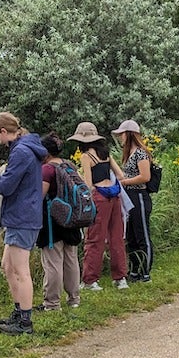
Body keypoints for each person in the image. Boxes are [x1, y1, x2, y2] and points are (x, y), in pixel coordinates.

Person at [0, 112, 48, 335]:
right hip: (22, 214)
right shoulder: (27, 147)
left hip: (22, 216)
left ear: (4, 132)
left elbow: (5, 187)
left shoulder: (21, 152)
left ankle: (25, 322)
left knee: (21, 270)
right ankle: (18, 310)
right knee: (7, 265)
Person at [67, 122, 128, 291]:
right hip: (114, 196)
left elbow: (88, 184)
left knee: (94, 239)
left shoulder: (86, 156)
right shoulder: (105, 154)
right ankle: (120, 278)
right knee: (116, 237)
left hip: (99, 197)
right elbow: (121, 175)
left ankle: (90, 280)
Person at [35, 133, 82, 311]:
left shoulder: (47, 169)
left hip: (52, 221)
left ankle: (52, 303)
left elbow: (39, 195)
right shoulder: (69, 165)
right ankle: (74, 299)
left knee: (53, 262)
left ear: (45, 152)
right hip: (72, 218)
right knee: (71, 259)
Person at [112, 119, 154, 282]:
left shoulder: (140, 153)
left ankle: (145, 271)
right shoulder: (129, 154)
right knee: (131, 236)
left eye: (122, 134)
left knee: (142, 234)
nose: (120, 137)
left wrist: (124, 182)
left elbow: (145, 177)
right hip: (129, 196)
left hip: (139, 196)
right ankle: (134, 269)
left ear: (129, 134)